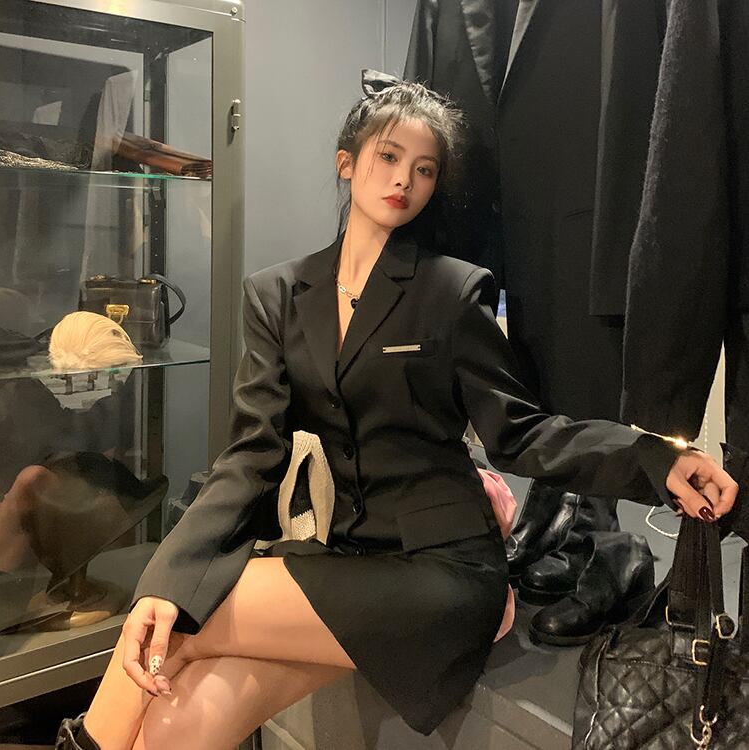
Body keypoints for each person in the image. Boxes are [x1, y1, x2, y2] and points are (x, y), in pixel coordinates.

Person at [56, 71, 738, 750]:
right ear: (346, 162)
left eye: (424, 169)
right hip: (341, 559)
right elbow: (251, 455)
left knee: (174, 620)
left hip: (440, 572)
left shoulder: (453, 290)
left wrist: (654, 458)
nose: (404, 180)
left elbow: (520, 432)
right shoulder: (276, 294)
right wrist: (172, 572)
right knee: (179, 718)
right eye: (388, 156)